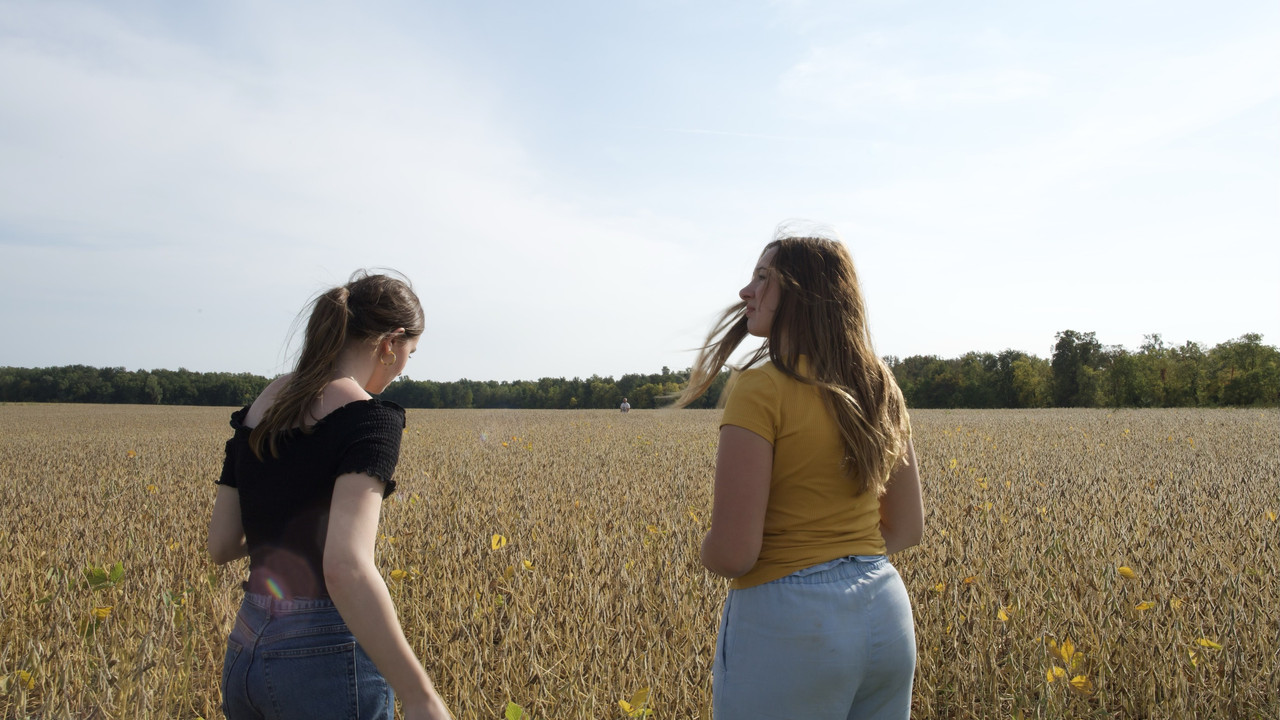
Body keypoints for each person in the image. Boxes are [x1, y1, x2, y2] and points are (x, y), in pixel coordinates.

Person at [673, 229, 924, 719]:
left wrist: (703, 549)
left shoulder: (761, 388)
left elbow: (734, 554)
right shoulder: (878, 385)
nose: (746, 291)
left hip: (790, 626)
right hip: (886, 613)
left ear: (800, 293)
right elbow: (908, 528)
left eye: (762, 278)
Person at [208, 270, 452, 720]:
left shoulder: (261, 407)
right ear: (390, 343)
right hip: (321, 659)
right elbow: (345, 568)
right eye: (410, 353)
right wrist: (421, 698)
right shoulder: (368, 419)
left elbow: (222, 544)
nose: (403, 367)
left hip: (245, 648)